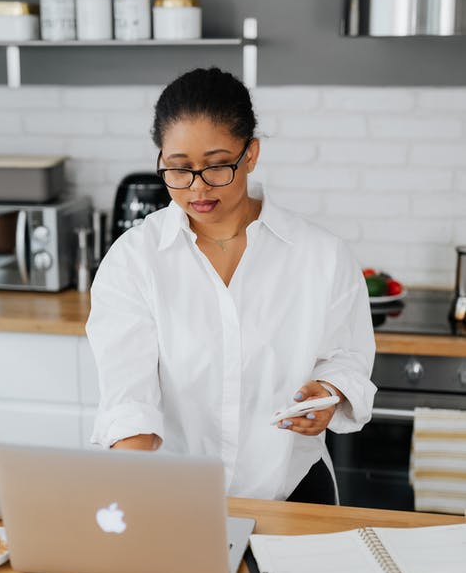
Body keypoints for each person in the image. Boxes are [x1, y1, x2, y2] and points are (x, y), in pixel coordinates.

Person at [86, 67, 376, 504]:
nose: (198, 187)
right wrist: (128, 497)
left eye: (218, 165)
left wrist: (329, 393)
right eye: (179, 170)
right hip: (176, 499)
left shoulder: (322, 255)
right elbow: (128, 395)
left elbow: (347, 358)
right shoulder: (134, 260)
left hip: (292, 493)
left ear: (251, 154)